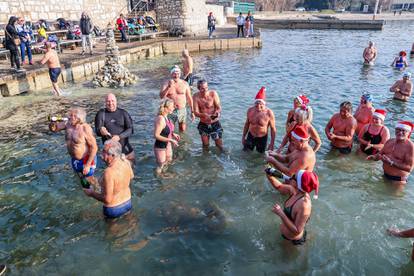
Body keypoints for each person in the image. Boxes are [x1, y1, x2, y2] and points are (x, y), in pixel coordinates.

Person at [83, 140, 134, 219]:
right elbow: (131, 176)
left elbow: (107, 200)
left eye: (104, 152)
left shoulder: (109, 172)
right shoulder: (126, 162)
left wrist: (91, 193)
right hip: (128, 202)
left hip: (114, 209)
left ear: (113, 155)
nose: (101, 154)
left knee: (112, 231)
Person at [266, 169, 319, 245]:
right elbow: (279, 187)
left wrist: (281, 214)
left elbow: (297, 230)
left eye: (294, 176)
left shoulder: (304, 205)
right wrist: (269, 176)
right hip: (286, 235)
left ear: (299, 184)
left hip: (293, 241)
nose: (291, 177)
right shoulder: (294, 191)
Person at [49, 107, 98, 187]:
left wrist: (88, 164)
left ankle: (99, 190)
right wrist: (52, 123)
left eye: (73, 115)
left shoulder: (85, 128)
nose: (70, 117)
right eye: (70, 115)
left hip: (86, 159)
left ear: (79, 118)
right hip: (74, 159)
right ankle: (87, 192)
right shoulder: (67, 124)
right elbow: (54, 129)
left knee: (90, 179)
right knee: (81, 179)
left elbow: (94, 147)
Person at [95, 93, 135, 164]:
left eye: (112, 101)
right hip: (111, 154)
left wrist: (119, 137)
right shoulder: (101, 114)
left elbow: (131, 129)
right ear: (105, 102)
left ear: (116, 102)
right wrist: (101, 130)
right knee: (112, 173)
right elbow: (97, 131)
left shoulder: (123, 113)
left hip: (125, 149)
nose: (110, 103)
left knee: (130, 172)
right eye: (108, 101)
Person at [160, 65, 194, 132]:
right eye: (174, 73)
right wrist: (168, 87)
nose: (176, 75)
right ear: (171, 74)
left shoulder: (185, 84)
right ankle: (171, 141)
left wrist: (192, 111)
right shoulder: (166, 84)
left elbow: (189, 98)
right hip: (170, 111)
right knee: (170, 130)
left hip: (182, 110)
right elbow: (161, 96)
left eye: (178, 73)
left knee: (182, 129)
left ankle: (182, 142)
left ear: (180, 74)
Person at [242, 87, 276, 153]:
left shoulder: (269, 113)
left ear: (264, 104)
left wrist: (272, 143)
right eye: (257, 104)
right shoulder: (250, 110)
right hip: (251, 136)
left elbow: (273, 129)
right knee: (245, 154)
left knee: (260, 157)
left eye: (261, 104)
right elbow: (247, 124)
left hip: (262, 138)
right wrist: (243, 137)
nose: (259, 106)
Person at [193, 79, 223, 151]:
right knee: (205, 146)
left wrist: (215, 115)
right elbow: (196, 112)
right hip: (203, 123)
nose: (205, 90)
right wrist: (204, 115)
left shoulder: (213, 93)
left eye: (206, 87)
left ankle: (222, 158)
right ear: (198, 88)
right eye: (203, 88)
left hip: (214, 123)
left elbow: (219, 108)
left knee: (219, 145)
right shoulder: (196, 97)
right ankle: (206, 160)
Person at [153, 99, 180, 174]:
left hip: (167, 144)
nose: (174, 108)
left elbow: (166, 129)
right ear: (166, 108)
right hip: (160, 146)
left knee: (168, 162)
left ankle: (164, 175)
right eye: (172, 106)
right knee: (160, 165)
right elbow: (156, 135)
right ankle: (158, 179)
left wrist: (173, 134)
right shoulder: (160, 119)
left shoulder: (167, 117)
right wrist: (171, 140)